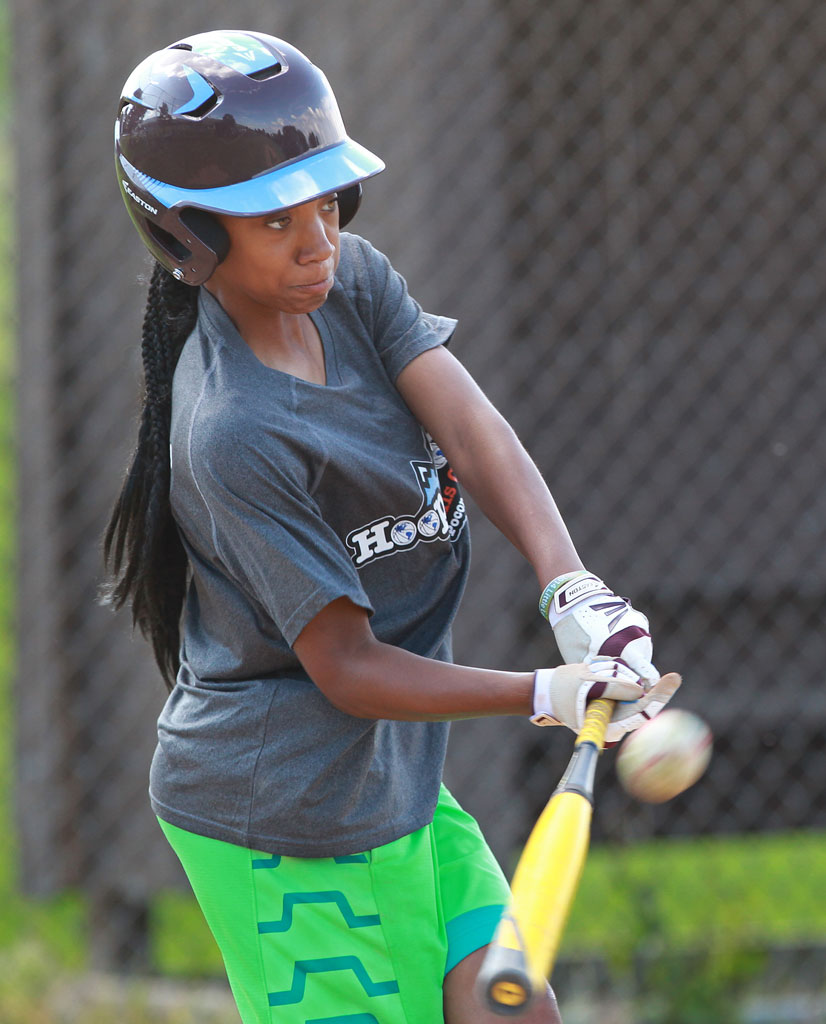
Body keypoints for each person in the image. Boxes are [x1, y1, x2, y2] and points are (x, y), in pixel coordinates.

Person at [105, 29, 681, 1024]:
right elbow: (349, 668)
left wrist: (568, 587)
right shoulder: (233, 433)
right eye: (277, 220)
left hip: (387, 780)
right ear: (189, 235)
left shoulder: (351, 284)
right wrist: (544, 692)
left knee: (517, 1011)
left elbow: (472, 430)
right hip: (283, 815)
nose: (317, 237)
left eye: (326, 201)